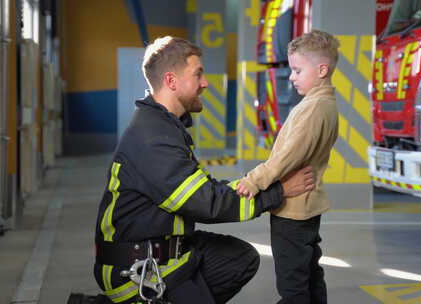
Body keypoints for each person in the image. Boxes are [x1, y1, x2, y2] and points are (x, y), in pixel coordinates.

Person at [93, 36, 315, 304]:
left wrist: (258, 184)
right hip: (136, 271)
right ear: (171, 81)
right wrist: (278, 192)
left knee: (238, 258)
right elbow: (207, 203)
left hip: (156, 249)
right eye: (198, 74)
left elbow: (204, 190)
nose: (205, 83)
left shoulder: (163, 127)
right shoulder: (153, 138)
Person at [236, 30, 340, 304]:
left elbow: (288, 156)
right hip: (307, 207)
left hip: (293, 211)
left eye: (297, 70)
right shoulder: (324, 104)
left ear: (321, 69)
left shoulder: (314, 108)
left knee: (292, 283)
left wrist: (254, 180)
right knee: (309, 273)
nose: (291, 76)